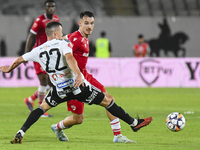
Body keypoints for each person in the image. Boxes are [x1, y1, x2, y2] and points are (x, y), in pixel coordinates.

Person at [0, 21, 152, 144]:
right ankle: (133, 123)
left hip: (58, 90)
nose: (62, 34)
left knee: (41, 108)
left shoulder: (37, 50)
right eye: (61, 31)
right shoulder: (63, 43)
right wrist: (78, 74)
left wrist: (8, 69)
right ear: (55, 33)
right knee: (108, 101)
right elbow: (69, 58)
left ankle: (21, 132)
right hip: (76, 87)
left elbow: (20, 59)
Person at [50, 11, 151, 143]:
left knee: (109, 99)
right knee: (78, 119)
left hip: (85, 76)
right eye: (86, 23)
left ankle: (118, 136)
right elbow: (63, 50)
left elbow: (65, 38)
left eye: (92, 23)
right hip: (75, 82)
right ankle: (57, 127)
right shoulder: (76, 39)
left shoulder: (79, 37)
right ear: (80, 24)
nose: (89, 26)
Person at [23, 0, 59, 117]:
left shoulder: (57, 19)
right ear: (45, 8)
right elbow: (31, 36)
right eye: (48, 7)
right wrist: (26, 53)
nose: (51, 9)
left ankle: (30, 99)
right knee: (43, 81)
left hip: (51, 55)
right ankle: (41, 109)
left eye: (52, 6)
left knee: (51, 82)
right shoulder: (39, 21)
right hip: (39, 54)